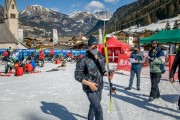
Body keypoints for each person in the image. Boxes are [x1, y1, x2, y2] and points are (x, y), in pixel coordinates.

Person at [74, 36, 113, 120]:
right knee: (98, 110)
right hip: (90, 88)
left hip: (99, 86)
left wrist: (107, 73)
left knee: (93, 106)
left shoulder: (101, 57)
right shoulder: (83, 60)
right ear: (88, 47)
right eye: (92, 46)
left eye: (96, 46)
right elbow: (77, 75)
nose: (94, 48)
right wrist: (89, 83)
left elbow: (102, 71)